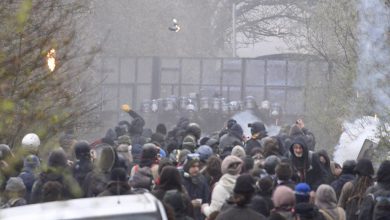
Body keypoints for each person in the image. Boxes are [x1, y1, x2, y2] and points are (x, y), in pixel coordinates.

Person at [182, 153, 210, 220]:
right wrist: (190, 204)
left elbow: (207, 199)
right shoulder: (181, 181)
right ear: (188, 167)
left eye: (198, 166)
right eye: (193, 166)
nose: (196, 169)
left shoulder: (202, 180)